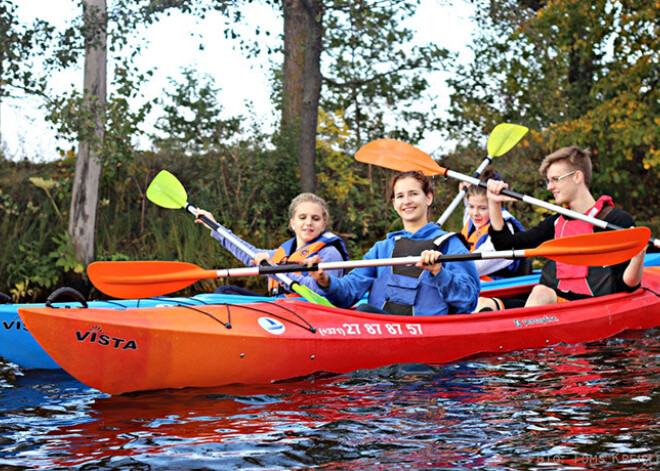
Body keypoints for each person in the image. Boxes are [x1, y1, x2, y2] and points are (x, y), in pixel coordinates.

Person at [481, 145, 646, 309]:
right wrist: (495, 203)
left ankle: (519, 330)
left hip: (589, 307)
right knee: (482, 303)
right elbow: (507, 245)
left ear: (577, 177)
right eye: (548, 180)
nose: (549, 187)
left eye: (555, 179)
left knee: (540, 293)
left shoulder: (616, 220)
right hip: (551, 305)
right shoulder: (554, 223)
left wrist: (638, 256)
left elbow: (628, 285)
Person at [307, 170, 480, 316]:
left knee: (364, 310)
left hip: (427, 334)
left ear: (428, 198)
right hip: (380, 328)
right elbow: (348, 293)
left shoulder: (451, 244)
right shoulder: (382, 249)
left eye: (413, 194)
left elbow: (469, 300)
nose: (406, 201)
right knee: (363, 310)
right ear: (395, 204)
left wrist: (439, 272)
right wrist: (325, 280)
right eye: (400, 196)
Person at [195, 193, 349, 297]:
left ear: (323, 225)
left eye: (315, 219)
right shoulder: (284, 252)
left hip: (309, 313)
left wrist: (273, 268)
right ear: (292, 223)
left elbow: (320, 290)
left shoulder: (330, 253)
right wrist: (215, 227)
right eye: (302, 217)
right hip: (279, 307)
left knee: (224, 291)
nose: (308, 223)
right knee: (225, 292)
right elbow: (248, 253)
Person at [459, 169, 530, 281]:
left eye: (483, 208)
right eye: (471, 207)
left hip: (495, 287)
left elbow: (475, 267)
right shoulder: (473, 220)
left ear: (494, 204)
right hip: (471, 281)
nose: (475, 214)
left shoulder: (504, 229)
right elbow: (469, 206)